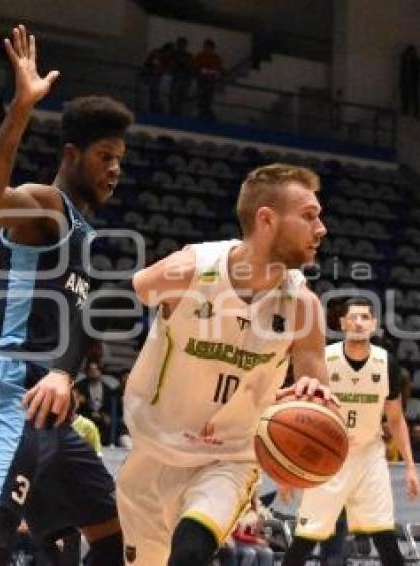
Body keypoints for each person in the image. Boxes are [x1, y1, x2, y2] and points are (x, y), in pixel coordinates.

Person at [0, 25, 132, 565]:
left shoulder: (83, 231)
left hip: (50, 413)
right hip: (14, 399)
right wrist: (20, 110)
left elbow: (48, 309)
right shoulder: (45, 206)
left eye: (120, 160)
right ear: (71, 154)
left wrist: (62, 370)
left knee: (112, 537)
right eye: (105, 156)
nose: (115, 170)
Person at [120, 163, 333, 565]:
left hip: (231, 458)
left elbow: (315, 384)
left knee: (191, 549)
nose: (320, 229)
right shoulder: (190, 271)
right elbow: (107, 301)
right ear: (266, 219)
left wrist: (316, 398)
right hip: (152, 448)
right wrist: (62, 373)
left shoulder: (302, 305)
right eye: (309, 216)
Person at [284, 297, 420, 566]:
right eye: (353, 317)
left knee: (384, 534)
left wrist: (410, 467)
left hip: (369, 455)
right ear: (343, 323)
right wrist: (288, 471)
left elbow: (395, 419)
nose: (359, 322)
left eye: (364, 318)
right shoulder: (325, 358)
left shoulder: (387, 364)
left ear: (373, 325)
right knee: (306, 536)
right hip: (328, 456)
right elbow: (300, 412)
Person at [75, 360, 115, 443]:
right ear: (87, 372)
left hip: (101, 416)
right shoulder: (80, 386)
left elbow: (109, 406)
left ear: (100, 371)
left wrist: (105, 415)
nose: (93, 372)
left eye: (96, 370)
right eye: (91, 370)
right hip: (85, 414)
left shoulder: (107, 389)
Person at [194, 39, 224, 120]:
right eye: (206, 47)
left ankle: (206, 116)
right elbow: (196, 68)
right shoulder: (200, 56)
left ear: (212, 48)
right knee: (201, 100)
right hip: (201, 81)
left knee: (208, 100)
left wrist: (208, 71)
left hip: (211, 82)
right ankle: (201, 115)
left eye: (209, 47)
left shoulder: (216, 58)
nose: (207, 49)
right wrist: (206, 71)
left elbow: (219, 71)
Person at [169, 36, 194, 116]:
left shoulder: (189, 55)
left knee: (182, 98)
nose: (182, 46)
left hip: (186, 78)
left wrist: (183, 63)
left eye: (183, 45)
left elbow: (190, 66)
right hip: (176, 77)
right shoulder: (173, 54)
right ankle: (173, 112)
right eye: (180, 44)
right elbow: (172, 65)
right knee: (173, 96)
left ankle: (180, 114)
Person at [399, 45, 420, 117]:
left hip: (412, 82)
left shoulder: (415, 61)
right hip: (406, 81)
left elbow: (417, 72)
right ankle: (405, 111)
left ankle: (415, 112)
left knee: (414, 97)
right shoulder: (404, 61)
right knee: (405, 97)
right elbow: (402, 72)